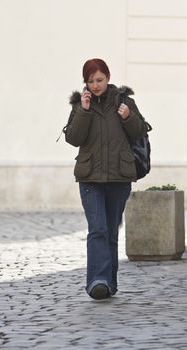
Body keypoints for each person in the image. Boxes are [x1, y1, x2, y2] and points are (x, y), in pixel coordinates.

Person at [63, 58, 148, 300]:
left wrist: (128, 116)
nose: (95, 85)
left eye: (99, 80)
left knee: (110, 232)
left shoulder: (124, 101)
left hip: (119, 177)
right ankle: (97, 281)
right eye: (90, 81)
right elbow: (74, 138)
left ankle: (109, 283)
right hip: (90, 178)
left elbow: (140, 131)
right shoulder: (81, 104)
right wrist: (84, 111)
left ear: (108, 78)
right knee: (97, 229)